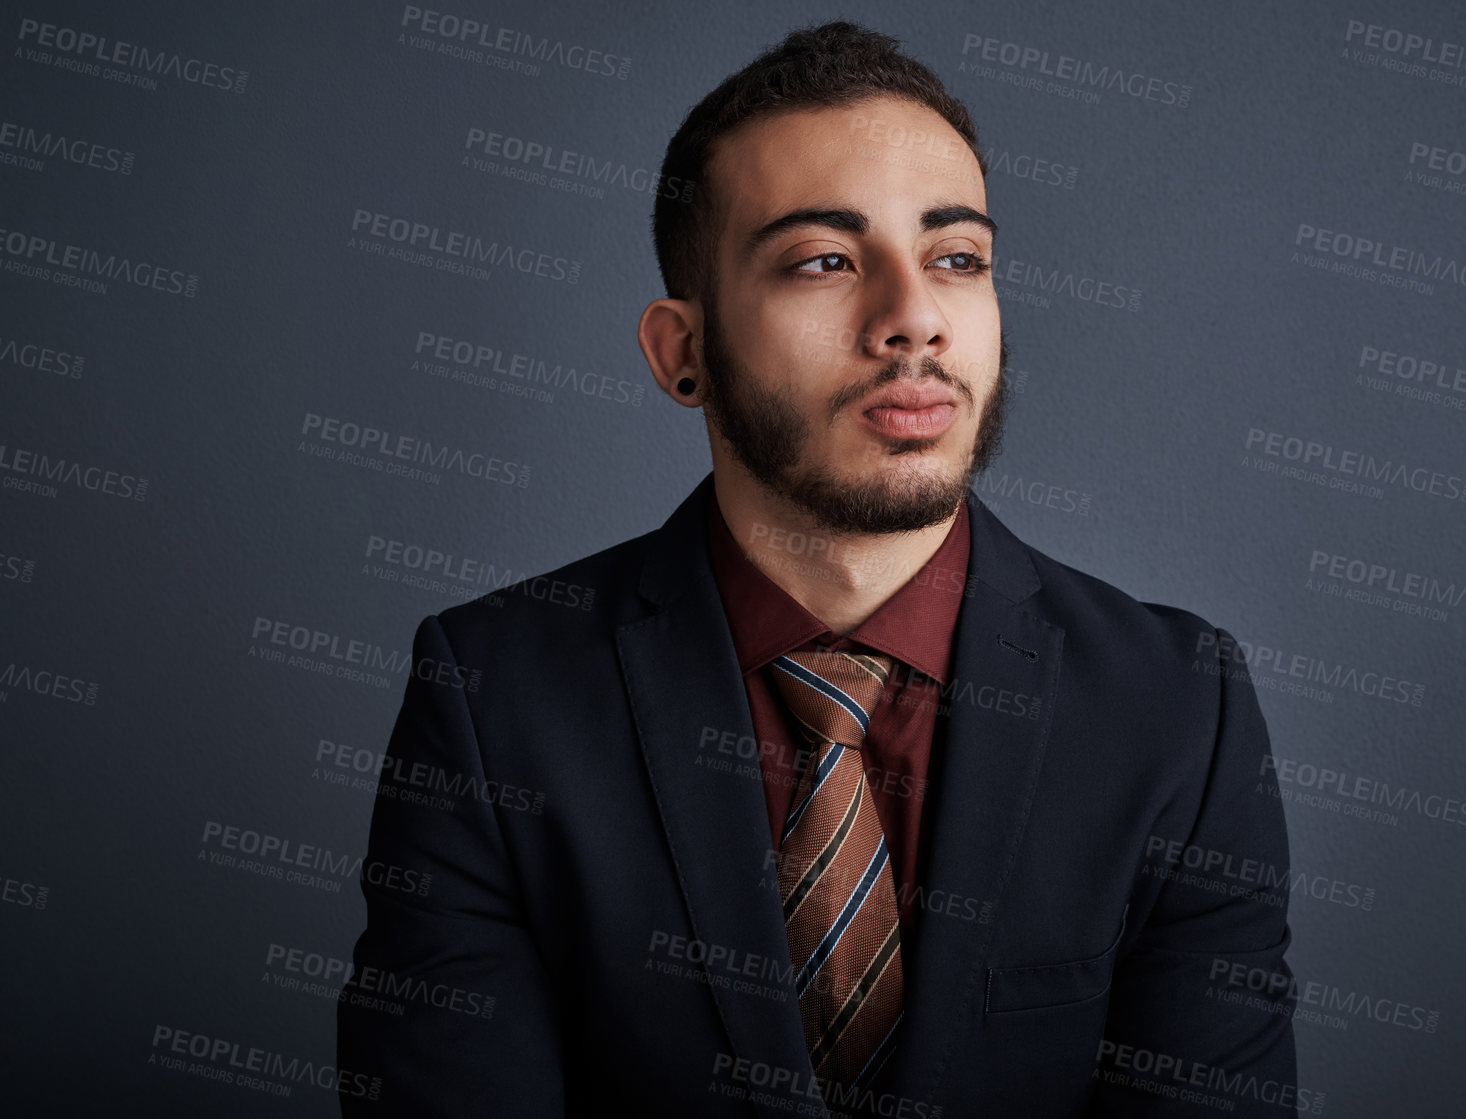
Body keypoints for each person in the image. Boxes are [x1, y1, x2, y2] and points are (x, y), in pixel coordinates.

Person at [339, 21, 1297, 1118]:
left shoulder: (1177, 706)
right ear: (680, 352)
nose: (912, 318)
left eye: (956, 258)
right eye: (823, 262)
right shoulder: (492, 695)